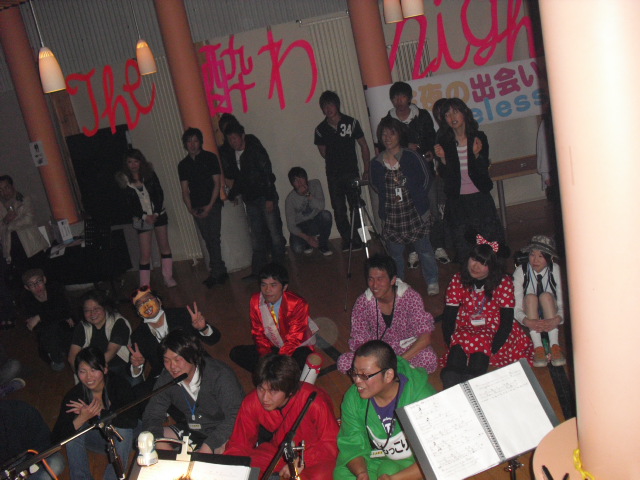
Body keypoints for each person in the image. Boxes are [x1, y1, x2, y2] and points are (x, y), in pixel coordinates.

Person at [334, 340, 436, 480]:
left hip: (414, 463)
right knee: (342, 474)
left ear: (388, 375)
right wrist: (361, 473)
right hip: (376, 458)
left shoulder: (422, 397)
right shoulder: (353, 397)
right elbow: (351, 444)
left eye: (364, 375)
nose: (357, 381)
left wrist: (394, 478)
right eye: (354, 373)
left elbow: (438, 456)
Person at [225, 354, 339, 478]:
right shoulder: (252, 402)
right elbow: (239, 444)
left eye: (273, 391)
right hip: (278, 450)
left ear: (290, 391)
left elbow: (331, 442)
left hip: (315, 453)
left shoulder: (314, 401)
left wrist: (303, 460)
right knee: (246, 467)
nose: (265, 398)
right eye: (261, 388)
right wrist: (229, 470)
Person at [440, 238, 533, 389]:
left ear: (493, 266)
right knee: (452, 367)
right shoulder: (458, 279)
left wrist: (493, 349)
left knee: (479, 356)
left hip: (494, 329)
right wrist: (451, 342)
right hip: (465, 325)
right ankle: (452, 383)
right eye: (474, 259)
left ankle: (474, 378)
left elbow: (506, 322)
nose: (475, 266)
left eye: (483, 263)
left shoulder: (503, 282)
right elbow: (449, 317)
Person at [141, 329, 244, 454]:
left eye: (177, 360)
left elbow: (235, 416)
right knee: (147, 440)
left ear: (193, 356)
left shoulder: (219, 375)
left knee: (217, 456)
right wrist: (159, 442)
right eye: (167, 361)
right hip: (193, 429)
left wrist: (209, 445)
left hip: (223, 431)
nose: (172, 366)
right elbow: (152, 415)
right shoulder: (166, 378)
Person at [370, 117, 440, 296]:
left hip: (415, 212)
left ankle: (432, 280)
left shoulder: (411, 155)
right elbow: (375, 186)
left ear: (399, 135)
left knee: (425, 250)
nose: (387, 137)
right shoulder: (376, 162)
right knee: (395, 254)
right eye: (384, 134)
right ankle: (398, 283)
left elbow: (426, 179)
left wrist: (419, 197)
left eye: (391, 133)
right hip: (393, 215)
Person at [337, 254, 438, 374]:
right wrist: (376, 360)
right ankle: (395, 373)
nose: (374, 285)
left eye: (380, 279)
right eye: (370, 279)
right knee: (344, 362)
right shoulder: (363, 302)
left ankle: (385, 375)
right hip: (378, 352)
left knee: (428, 358)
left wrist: (397, 362)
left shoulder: (410, 297)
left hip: (406, 349)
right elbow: (359, 338)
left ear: (393, 280)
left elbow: (425, 336)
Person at [434, 98, 504, 262]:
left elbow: (483, 169)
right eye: (447, 114)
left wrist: (477, 155)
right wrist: (443, 159)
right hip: (458, 201)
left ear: (465, 113)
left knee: (488, 244)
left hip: (480, 198)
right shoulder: (445, 142)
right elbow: (446, 176)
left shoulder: (479, 137)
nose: (452, 117)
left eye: (455, 112)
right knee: (464, 246)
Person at [52, 347, 136, 480]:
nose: (88, 377)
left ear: (105, 369)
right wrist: (81, 419)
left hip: (125, 440)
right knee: (72, 434)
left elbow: (130, 421)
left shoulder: (118, 384)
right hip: (100, 441)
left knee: (123, 430)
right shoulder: (75, 395)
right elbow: (56, 438)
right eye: (82, 371)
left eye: (93, 370)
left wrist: (98, 414)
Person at [128, 285, 221, 396]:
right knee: (139, 393)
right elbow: (132, 371)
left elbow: (214, 339)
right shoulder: (138, 335)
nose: (146, 305)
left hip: (195, 365)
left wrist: (203, 328)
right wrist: (136, 365)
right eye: (140, 304)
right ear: (138, 312)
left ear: (159, 301)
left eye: (148, 299)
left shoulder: (181, 314)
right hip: (168, 377)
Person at [224, 122, 286, 279]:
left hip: (264, 196)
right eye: (230, 139)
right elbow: (240, 178)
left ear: (242, 136)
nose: (233, 142)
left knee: (275, 233)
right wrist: (232, 194)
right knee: (257, 237)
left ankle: (278, 270)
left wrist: (269, 198)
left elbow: (267, 174)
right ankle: (258, 271)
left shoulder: (255, 149)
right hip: (250, 200)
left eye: (235, 138)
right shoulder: (233, 155)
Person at [229, 263, 318, 374]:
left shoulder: (297, 303)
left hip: (294, 348)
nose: (267, 290)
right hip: (272, 346)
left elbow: (295, 338)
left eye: (273, 285)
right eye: (264, 285)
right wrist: (266, 357)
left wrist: (277, 361)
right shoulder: (255, 300)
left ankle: (272, 373)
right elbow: (258, 333)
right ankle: (276, 373)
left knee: (306, 360)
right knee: (236, 353)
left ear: (284, 287)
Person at [314, 90, 370, 252]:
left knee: (356, 205)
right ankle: (347, 239)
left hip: (351, 172)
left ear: (337, 105)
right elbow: (323, 152)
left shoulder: (351, 122)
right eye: (325, 106)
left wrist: (366, 169)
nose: (328, 109)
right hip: (333, 175)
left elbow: (364, 145)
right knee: (339, 209)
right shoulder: (320, 129)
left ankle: (358, 238)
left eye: (330, 105)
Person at [116, 148, 176, 288]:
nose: (133, 165)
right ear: (126, 164)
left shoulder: (149, 175)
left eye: (136, 161)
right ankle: (144, 285)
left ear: (141, 162)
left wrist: (156, 213)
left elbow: (159, 193)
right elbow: (128, 204)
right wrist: (144, 216)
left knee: (164, 246)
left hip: (159, 214)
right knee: (145, 254)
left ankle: (168, 277)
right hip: (141, 219)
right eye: (130, 162)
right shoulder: (124, 181)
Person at [178, 127, 228, 288]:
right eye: (189, 141)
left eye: (195, 141)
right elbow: (184, 190)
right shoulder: (183, 165)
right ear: (185, 144)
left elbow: (217, 184)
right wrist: (190, 208)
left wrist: (210, 206)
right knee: (208, 239)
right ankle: (219, 271)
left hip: (213, 204)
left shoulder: (210, 158)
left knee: (214, 237)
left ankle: (216, 272)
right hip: (197, 206)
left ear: (200, 142)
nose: (192, 144)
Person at [514, 235, 566, 367]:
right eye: (532, 255)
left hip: (551, 309)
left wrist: (558, 318)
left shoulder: (556, 271)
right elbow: (515, 305)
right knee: (530, 298)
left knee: (546, 296)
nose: (535, 260)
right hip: (529, 311)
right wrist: (526, 321)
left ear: (549, 258)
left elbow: (565, 303)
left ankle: (555, 345)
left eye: (540, 256)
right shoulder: (521, 271)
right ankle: (538, 347)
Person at [68, 290, 132, 381]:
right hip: (94, 370)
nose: (92, 313)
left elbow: (111, 351)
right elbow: (72, 357)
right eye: (87, 310)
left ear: (104, 307)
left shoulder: (119, 322)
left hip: (121, 366)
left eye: (96, 309)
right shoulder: (82, 327)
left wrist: (92, 369)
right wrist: (83, 376)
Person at [21, 268, 74, 371]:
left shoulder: (56, 289)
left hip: (65, 328)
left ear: (44, 280)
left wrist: (39, 317)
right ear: (27, 287)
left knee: (65, 330)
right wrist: (58, 315)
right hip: (48, 334)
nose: (37, 286)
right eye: (31, 284)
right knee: (50, 329)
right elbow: (36, 327)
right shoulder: (26, 300)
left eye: (39, 281)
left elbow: (66, 309)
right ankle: (56, 358)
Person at [0, 400, 65, 479]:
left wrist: (31, 466)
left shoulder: (19, 409)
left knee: (56, 462)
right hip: (4, 469)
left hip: (28, 459)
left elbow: (45, 443)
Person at [0, 175, 48, 280]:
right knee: (25, 281)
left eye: (6, 187)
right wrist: (5, 220)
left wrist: (9, 225)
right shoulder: (1, 208)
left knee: (41, 277)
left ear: (12, 186)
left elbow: (28, 219)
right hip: (15, 253)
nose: (4, 192)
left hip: (32, 247)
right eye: (1, 190)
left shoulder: (24, 200)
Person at [284, 167, 333, 256]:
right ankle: (307, 242)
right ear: (292, 184)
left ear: (306, 178)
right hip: (301, 226)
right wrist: (307, 238)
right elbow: (291, 226)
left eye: (301, 178)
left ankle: (323, 244)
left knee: (326, 215)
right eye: (295, 180)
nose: (300, 183)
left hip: (314, 221)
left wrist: (308, 194)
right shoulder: (290, 199)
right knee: (297, 249)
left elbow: (321, 206)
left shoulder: (315, 184)